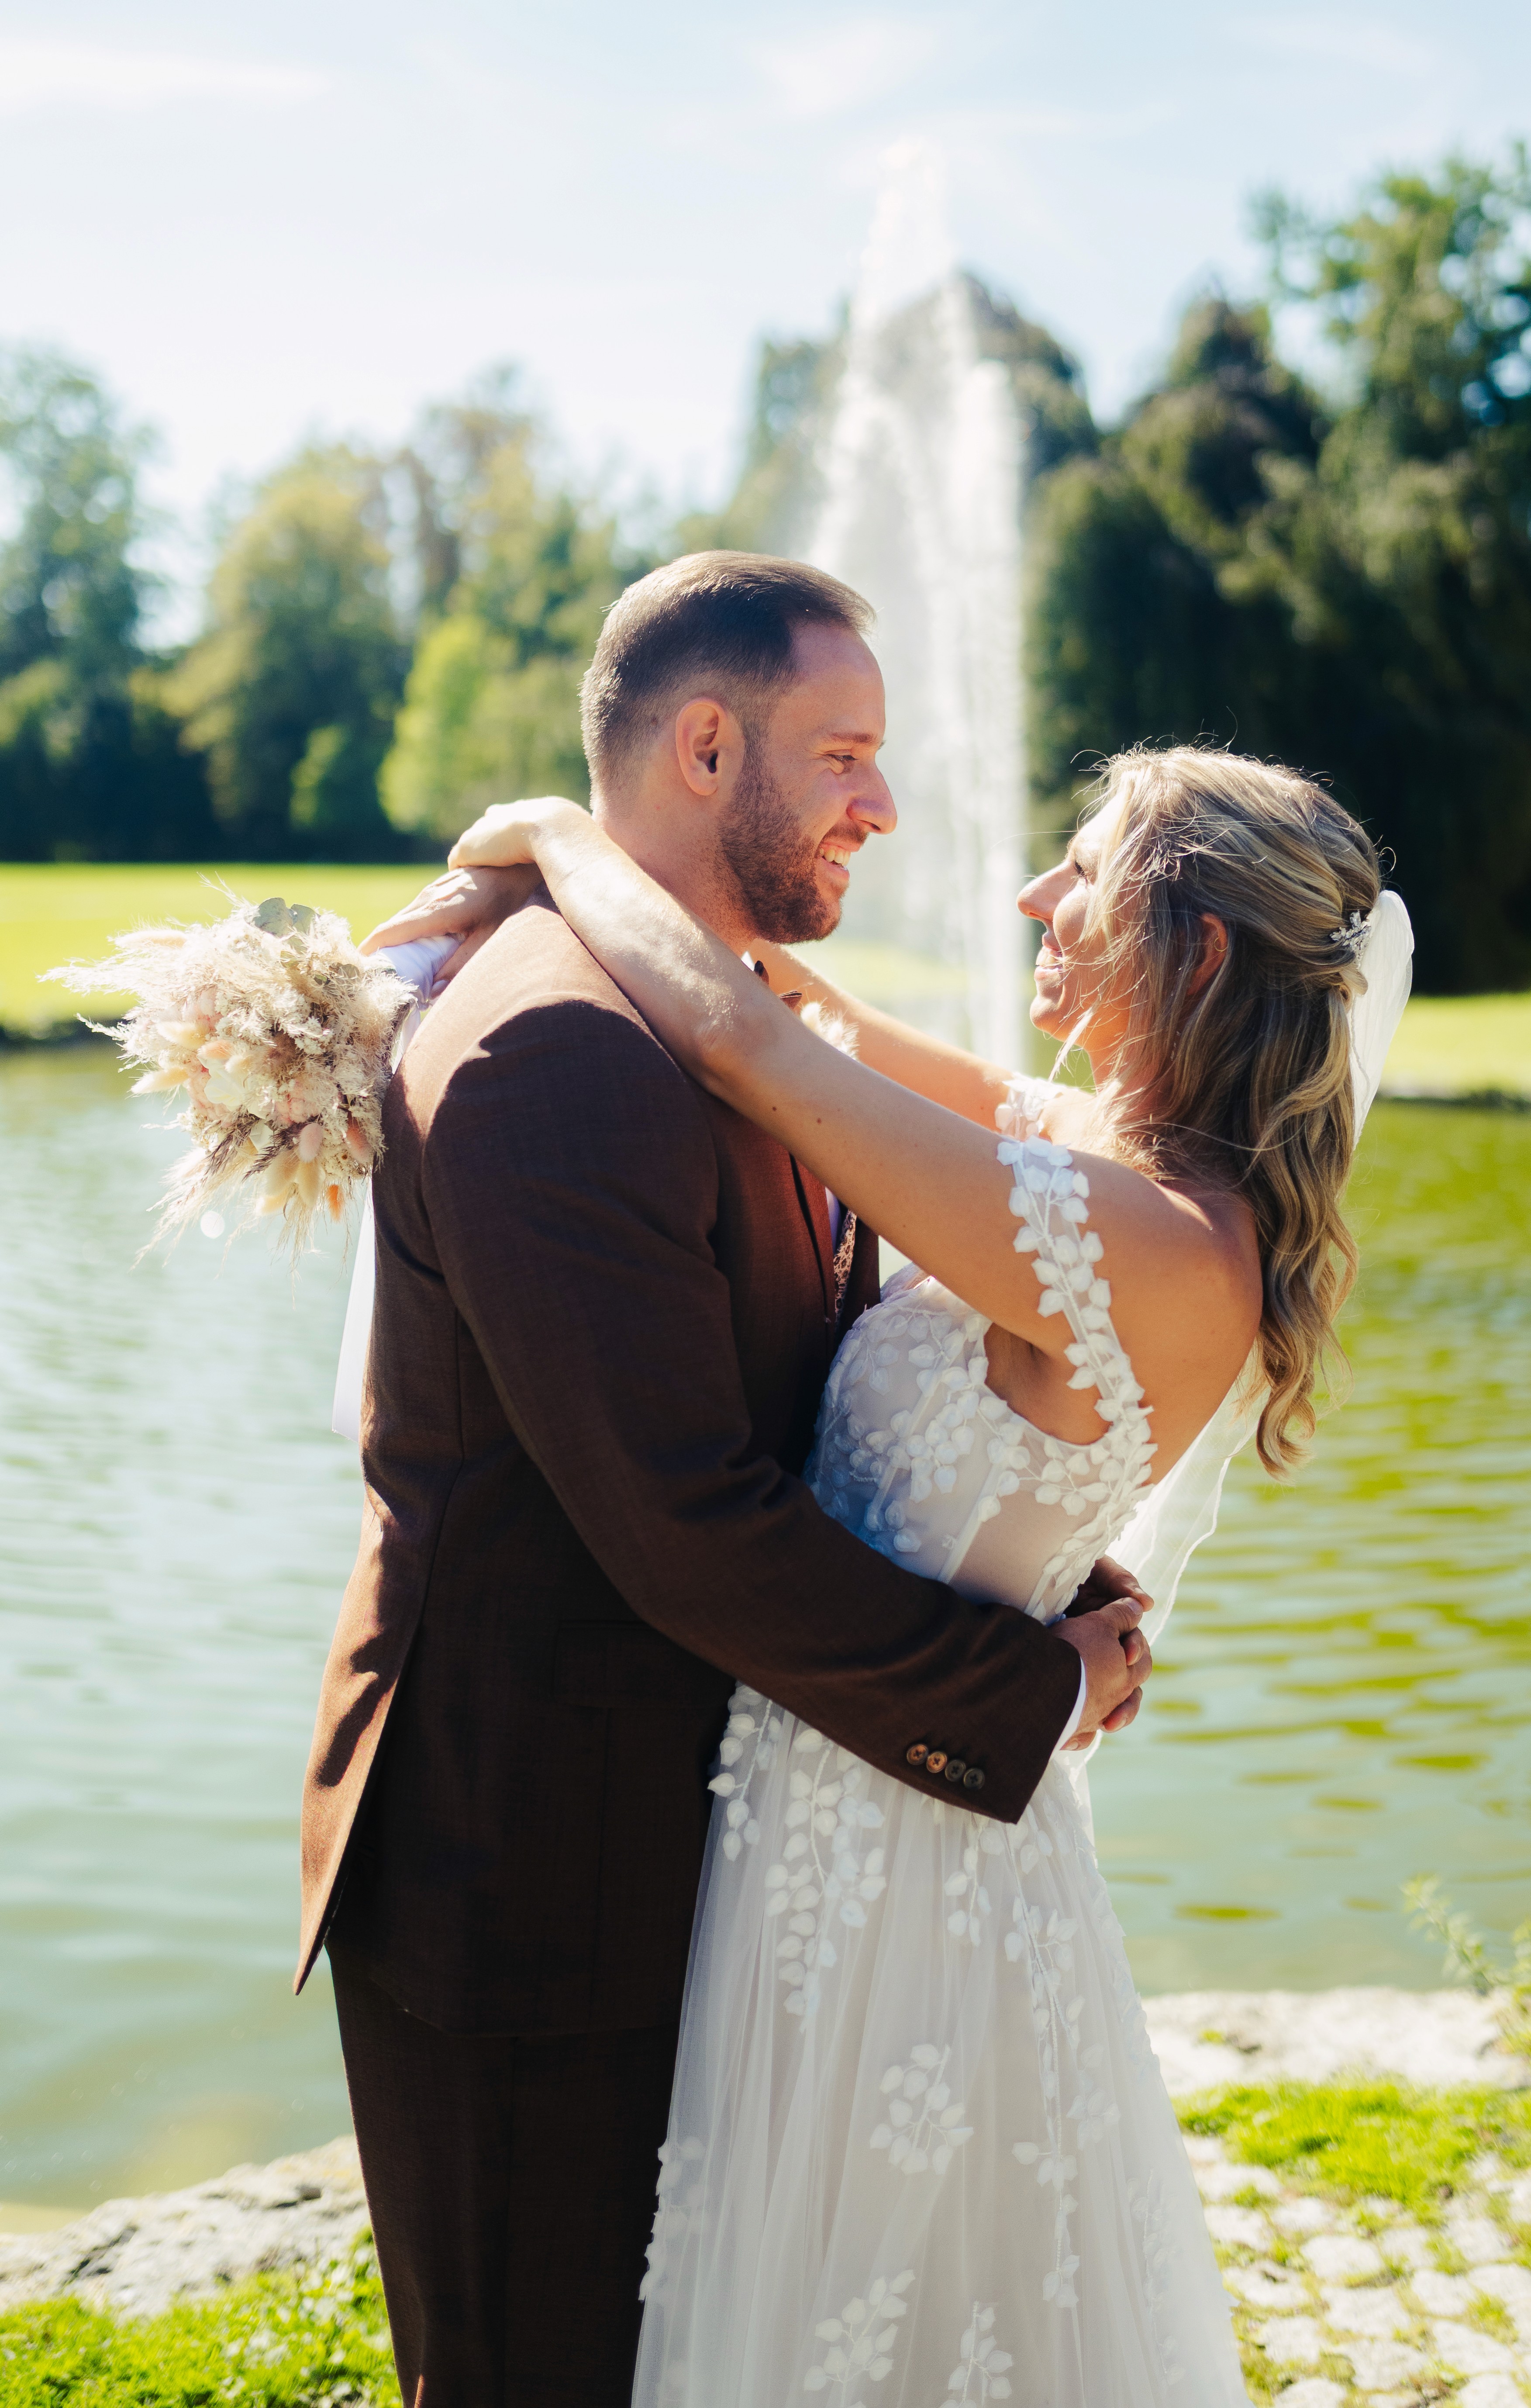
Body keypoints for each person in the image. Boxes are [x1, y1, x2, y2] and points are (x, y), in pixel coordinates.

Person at [376, 736, 1412, 2405]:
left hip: (896, 1871)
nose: (1036, 892)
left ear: (1198, 948)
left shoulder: (1133, 1236)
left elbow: (747, 1046)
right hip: (841, 1807)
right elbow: (818, 1018)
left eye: (1086, 869)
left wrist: (568, 834)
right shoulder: (1104, 1165)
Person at [300, 553, 1152, 2408]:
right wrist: (1019, 1683)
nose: (885, 804)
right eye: (842, 754)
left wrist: (1017, 1549)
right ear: (703, 748)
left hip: (698, 1852)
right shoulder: (558, 1048)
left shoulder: (721, 1014)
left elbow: (802, 1402)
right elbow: (687, 1521)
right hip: (538, 1878)